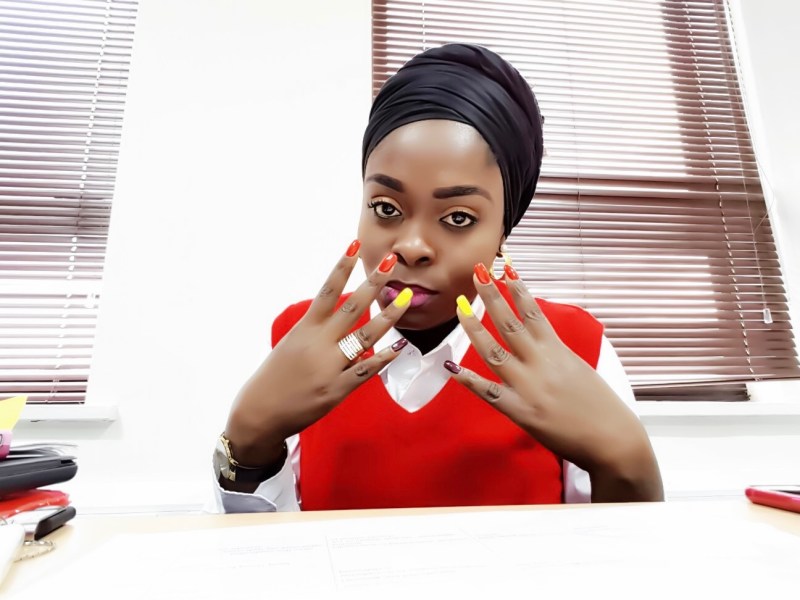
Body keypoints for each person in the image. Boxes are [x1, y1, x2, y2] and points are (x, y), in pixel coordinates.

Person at [212, 44, 663, 512]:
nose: (411, 246)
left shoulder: (576, 345)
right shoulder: (299, 337)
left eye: (458, 218)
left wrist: (629, 461)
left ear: (503, 230)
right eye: (386, 208)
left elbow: (623, 547)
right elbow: (259, 547)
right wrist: (247, 442)